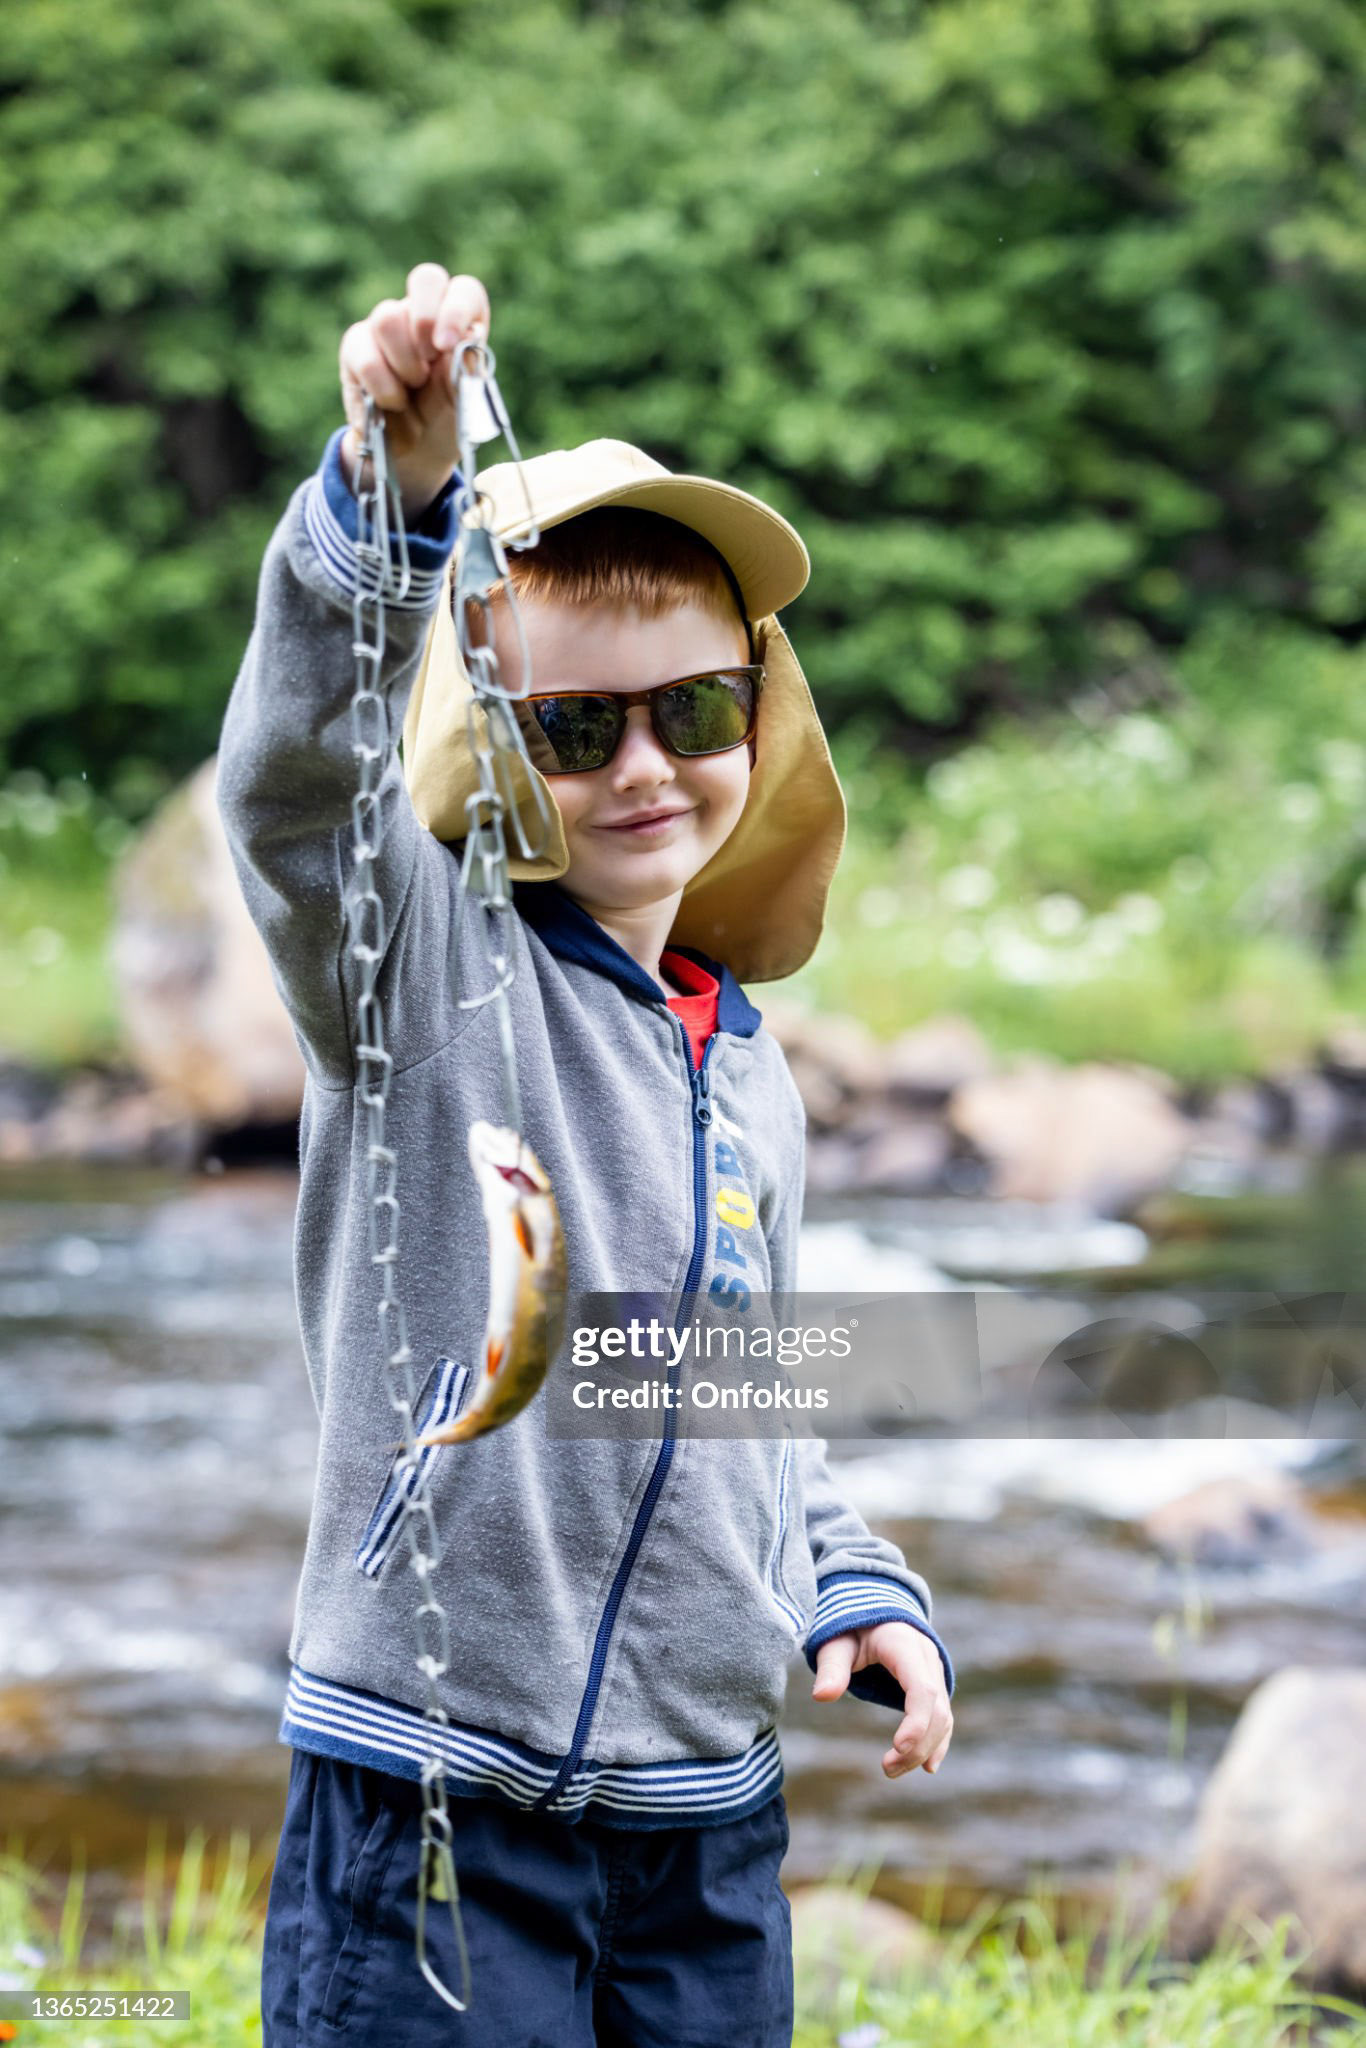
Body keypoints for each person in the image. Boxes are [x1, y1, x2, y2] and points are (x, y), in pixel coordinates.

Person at [218, 262, 955, 2048]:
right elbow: (295, 796)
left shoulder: (743, 1066)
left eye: (693, 713)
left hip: (703, 1822)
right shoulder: (417, 984)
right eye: (576, 725)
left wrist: (850, 1584)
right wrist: (384, 505)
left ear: (752, 720)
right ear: (494, 744)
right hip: (436, 1808)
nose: (646, 767)